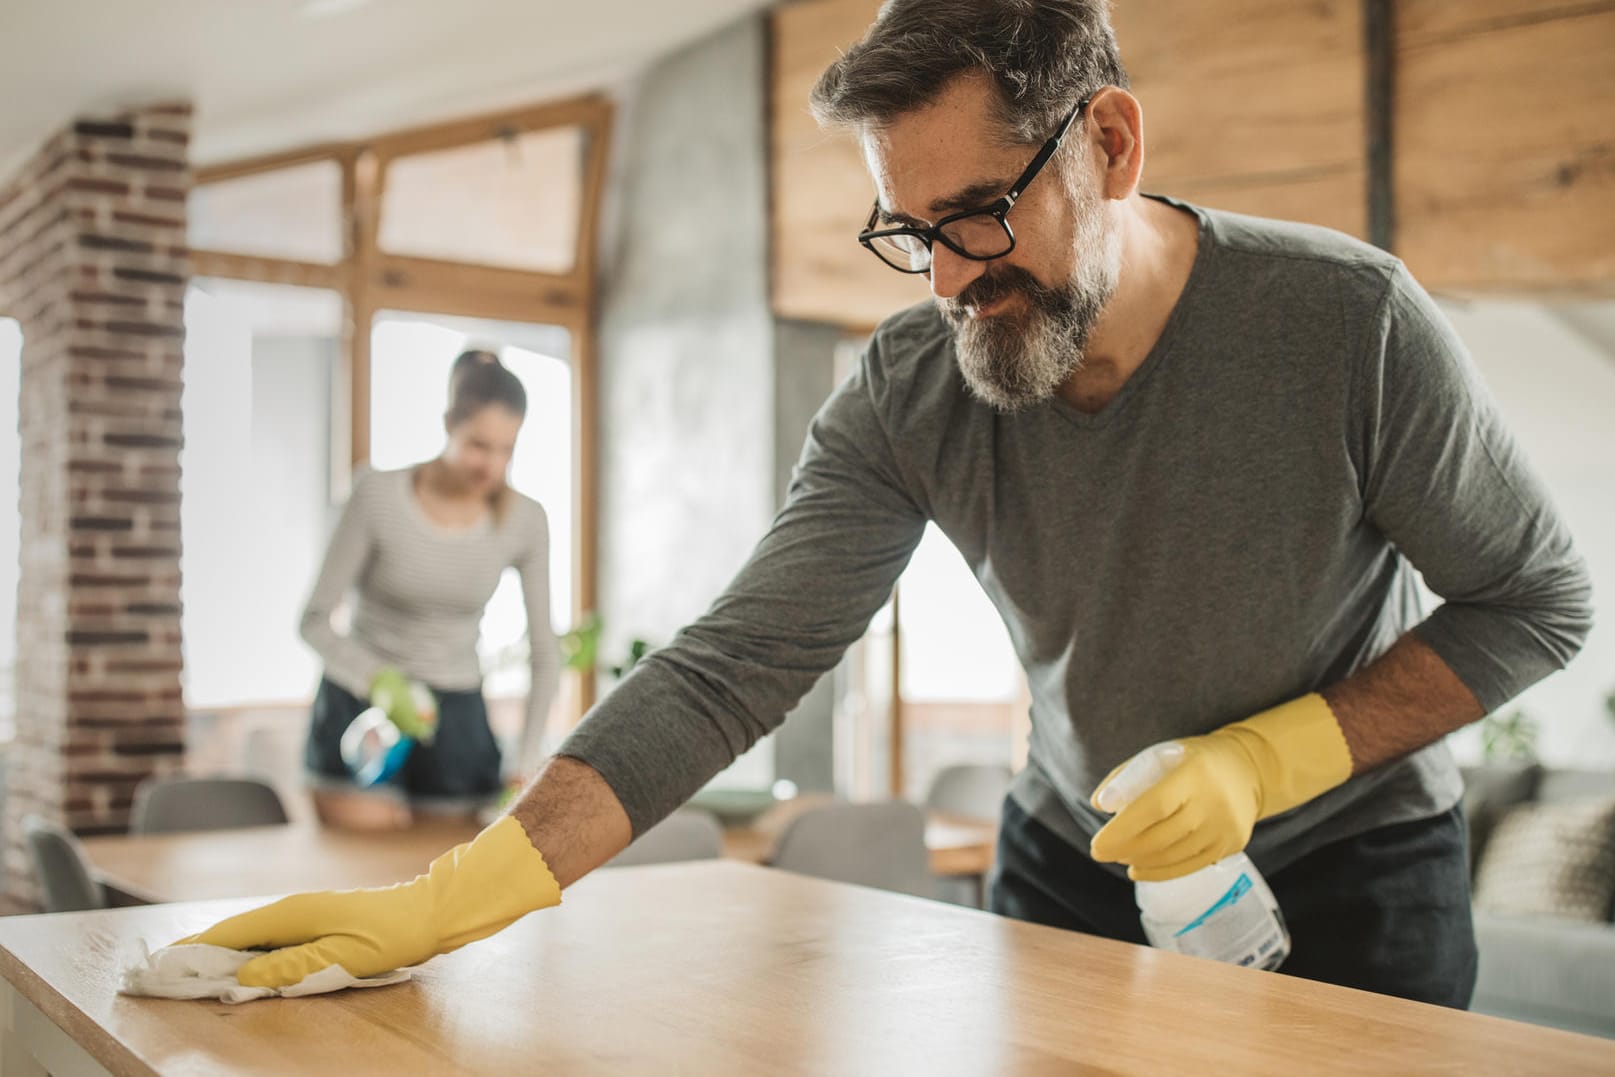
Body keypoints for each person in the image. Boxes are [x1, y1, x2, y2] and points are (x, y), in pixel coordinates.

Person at [185, 0, 1591, 1007]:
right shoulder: (914, 384)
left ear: (1108, 141)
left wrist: (1267, 759)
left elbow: (1535, 600)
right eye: (904, 232)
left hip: (1348, 865)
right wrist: (454, 895)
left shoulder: (1347, 326)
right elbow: (736, 664)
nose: (941, 280)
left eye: (976, 211)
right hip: (1070, 859)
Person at [298, 348, 560, 827]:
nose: (492, 466)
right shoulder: (377, 495)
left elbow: (546, 653)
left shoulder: (525, 521)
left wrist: (524, 765)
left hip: (457, 719)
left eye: (507, 449)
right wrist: (377, 679)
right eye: (479, 445)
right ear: (448, 424)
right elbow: (313, 621)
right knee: (363, 877)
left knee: (446, 879)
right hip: (361, 706)